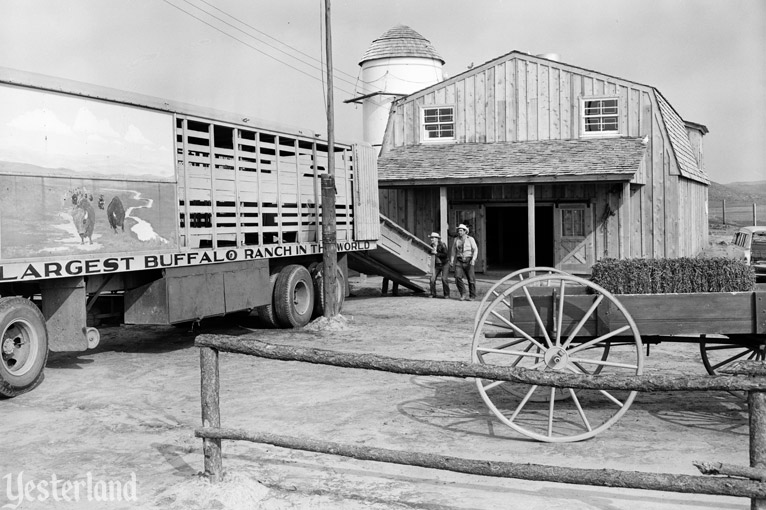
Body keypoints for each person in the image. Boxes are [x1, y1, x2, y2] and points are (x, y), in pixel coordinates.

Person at [450, 224, 478, 301]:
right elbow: (453, 250)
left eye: (461, 230)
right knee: (457, 277)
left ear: (465, 231)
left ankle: (472, 295)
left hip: (469, 259)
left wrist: (473, 259)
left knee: (471, 279)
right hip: (459, 260)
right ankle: (463, 293)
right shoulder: (456, 239)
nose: (459, 232)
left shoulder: (470, 239)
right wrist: (452, 260)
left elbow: (475, 249)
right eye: (459, 230)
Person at [427, 232, 450, 298]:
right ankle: (433, 293)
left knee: (444, 279)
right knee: (432, 279)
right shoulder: (431, 246)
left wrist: (436, 253)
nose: (432, 239)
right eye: (431, 238)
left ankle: (446, 294)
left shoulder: (442, 245)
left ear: (437, 239)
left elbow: (445, 255)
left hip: (444, 264)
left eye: (433, 238)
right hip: (436, 265)